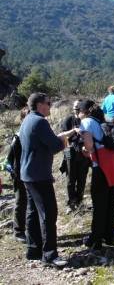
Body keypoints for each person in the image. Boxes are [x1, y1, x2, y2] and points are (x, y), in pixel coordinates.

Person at [19, 93, 77, 267]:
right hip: (39, 175)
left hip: (28, 174)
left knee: (33, 212)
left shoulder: (28, 119)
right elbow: (56, 146)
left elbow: (43, 143)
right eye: (48, 103)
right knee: (48, 213)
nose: (50, 106)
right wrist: (65, 138)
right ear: (39, 105)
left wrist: (62, 135)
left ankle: (33, 249)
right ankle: (50, 255)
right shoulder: (40, 121)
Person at [78, 99, 114, 250]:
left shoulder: (86, 122)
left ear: (84, 112)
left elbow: (89, 145)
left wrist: (86, 151)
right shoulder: (103, 121)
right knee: (112, 202)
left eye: (78, 111)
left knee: (99, 204)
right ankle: (109, 236)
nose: (77, 115)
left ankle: (95, 240)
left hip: (102, 167)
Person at [60, 100, 90, 213]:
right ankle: (71, 203)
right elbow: (63, 136)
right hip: (69, 151)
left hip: (83, 152)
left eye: (79, 107)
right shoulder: (69, 120)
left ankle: (79, 201)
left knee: (82, 178)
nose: (76, 109)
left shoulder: (86, 121)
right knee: (70, 178)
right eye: (75, 106)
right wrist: (74, 131)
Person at [6, 107, 29, 242]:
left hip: (32, 174)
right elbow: (9, 158)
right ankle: (19, 231)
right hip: (19, 174)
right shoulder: (18, 136)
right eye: (27, 116)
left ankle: (32, 230)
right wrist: (13, 172)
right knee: (21, 201)